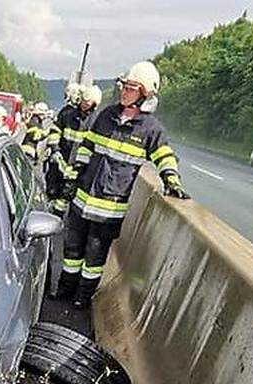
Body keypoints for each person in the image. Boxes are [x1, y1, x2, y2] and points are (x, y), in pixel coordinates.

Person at [56, 61, 187, 309]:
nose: (124, 91)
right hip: (82, 199)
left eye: (131, 88)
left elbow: (164, 156)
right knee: (72, 250)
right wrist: (73, 176)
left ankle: (83, 297)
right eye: (124, 86)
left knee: (94, 258)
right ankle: (64, 289)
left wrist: (171, 179)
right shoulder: (105, 116)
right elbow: (87, 148)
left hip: (109, 210)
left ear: (146, 94)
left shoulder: (151, 130)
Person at [45, 82, 88, 213]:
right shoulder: (69, 114)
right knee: (57, 192)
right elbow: (54, 132)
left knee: (62, 195)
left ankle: (54, 216)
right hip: (62, 162)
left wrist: (55, 150)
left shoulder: (74, 115)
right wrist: (55, 150)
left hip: (70, 166)